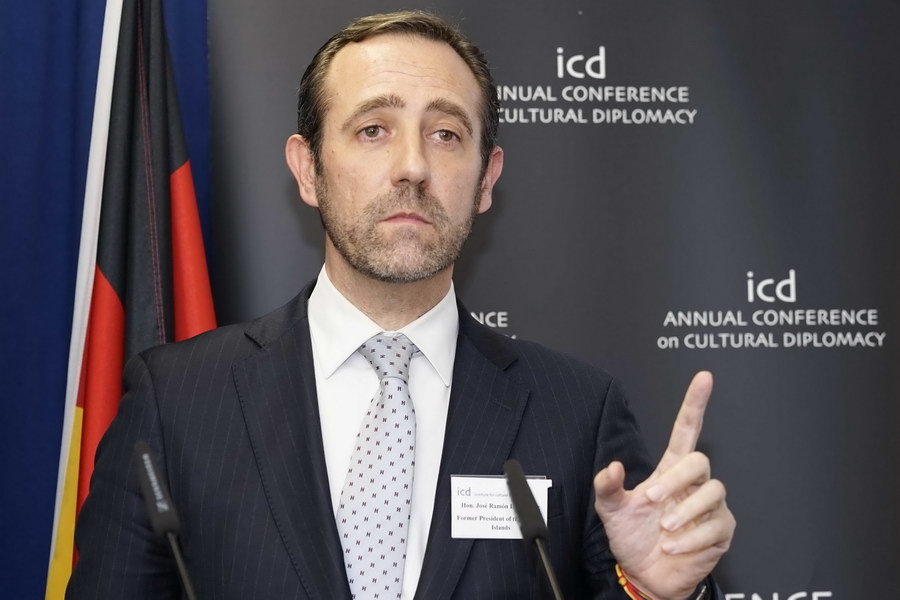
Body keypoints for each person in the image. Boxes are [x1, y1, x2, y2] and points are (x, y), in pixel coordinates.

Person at [68, 10, 735, 600]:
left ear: (486, 179)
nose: (412, 166)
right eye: (373, 130)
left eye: (446, 134)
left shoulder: (577, 414)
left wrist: (653, 592)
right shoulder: (179, 400)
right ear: (307, 169)